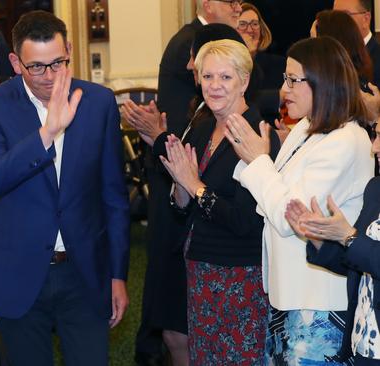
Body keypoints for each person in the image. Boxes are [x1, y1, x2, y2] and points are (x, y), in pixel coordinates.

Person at [0, 10, 130, 366]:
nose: (50, 76)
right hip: (18, 273)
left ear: (69, 50)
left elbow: (113, 197)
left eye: (58, 63)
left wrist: (118, 274)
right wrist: (47, 134)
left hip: (84, 271)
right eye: (36, 67)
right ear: (15, 62)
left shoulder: (98, 102)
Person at [226, 36, 374, 364]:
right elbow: (270, 200)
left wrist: (258, 161)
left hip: (319, 298)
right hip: (292, 290)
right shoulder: (307, 127)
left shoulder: (346, 140)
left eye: (294, 80)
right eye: (285, 79)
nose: (285, 89)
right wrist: (260, 164)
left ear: (324, 82)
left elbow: (291, 217)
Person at [155, 39, 279, 364]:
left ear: (244, 82)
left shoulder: (257, 134)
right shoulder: (202, 127)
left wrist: (193, 184)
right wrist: (181, 185)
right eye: (207, 77)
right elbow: (183, 209)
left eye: (225, 77)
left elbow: (244, 220)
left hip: (240, 277)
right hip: (201, 271)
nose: (214, 86)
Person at [284, 121, 380, 364]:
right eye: (375, 135)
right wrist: (318, 237)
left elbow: (358, 245)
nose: (374, 146)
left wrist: (347, 235)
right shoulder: (376, 189)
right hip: (364, 344)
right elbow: (356, 261)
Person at [237, 3, 284, 91]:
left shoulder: (279, 64)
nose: (250, 30)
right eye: (242, 24)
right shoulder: (225, 65)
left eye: (254, 24)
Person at [333, 0, 380, 87]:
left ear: (365, 19)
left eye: (344, 16)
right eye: (334, 16)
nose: (337, 23)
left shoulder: (377, 59)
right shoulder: (333, 56)